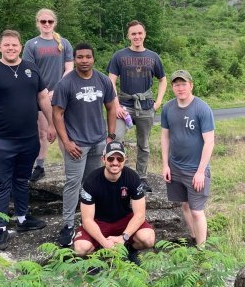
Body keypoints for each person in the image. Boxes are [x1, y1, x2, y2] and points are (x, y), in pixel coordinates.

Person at [0, 30, 56, 250]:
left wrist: (50, 124)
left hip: (28, 138)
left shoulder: (32, 69)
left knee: (22, 180)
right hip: (1, 139)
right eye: (6, 45)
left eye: (14, 45)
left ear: (21, 46)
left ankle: (22, 218)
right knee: (2, 184)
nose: (10, 48)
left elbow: (42, 97)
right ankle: (0, 228)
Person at [52, 42, 117, 247]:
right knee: (73, 183)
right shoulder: (66, 83)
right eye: (80, 57)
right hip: (76, 144)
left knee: (94, 183)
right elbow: (57, 114)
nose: (84, 61)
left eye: (88, 57)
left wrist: (110, 136)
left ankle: (94, 220)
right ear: (75, 59)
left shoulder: (103, 80)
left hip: (99, 141)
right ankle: (69, 225)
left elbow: (111, 108)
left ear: (93, 58)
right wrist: (66, 141)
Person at [107, 20, 167, 192]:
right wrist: (116, 105)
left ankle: (142, 177)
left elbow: (163, 79)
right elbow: (111, 80)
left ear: (145, 34)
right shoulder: (119, 56)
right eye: (133, 34)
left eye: (140, 33)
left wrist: (158, 102)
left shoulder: (153, 57)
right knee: (116, 139)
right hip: (124, 105)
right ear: (128, 36)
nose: (137, 36)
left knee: (144, 144)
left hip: (146, 105)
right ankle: (118, 175)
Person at [160, 70, 215, 246]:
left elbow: (209, 142)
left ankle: (202, 248)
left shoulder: (202, 108)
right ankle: (193, 237)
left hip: (195, 169)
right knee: (184, 206)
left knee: (197, 211)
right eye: (176, 84)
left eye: (183, 84)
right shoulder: (168, 108)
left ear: (191, 85)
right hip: (175, 166)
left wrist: (200, 172)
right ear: (172, 87)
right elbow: (164, 137)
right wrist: (165, 165)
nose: (180, 88)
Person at [73, 141, 155, 257]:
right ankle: (97, 257)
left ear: (124, 160)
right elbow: (87, 220)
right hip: (99, 222)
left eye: (119, 159)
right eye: (110, 158)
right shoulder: (91, 181)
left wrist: (124, 237)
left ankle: (128, 249)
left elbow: (140, 214)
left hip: (124, 220)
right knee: (80, 248)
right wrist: (104, 242)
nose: (115, 163)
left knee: (148, 239)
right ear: (103, 159)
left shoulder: (132, 177)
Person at [22, 8, 73, 181]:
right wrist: (42, 90)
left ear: (54, 23)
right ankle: (40, 165)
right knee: (42, 132)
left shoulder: (64, 43)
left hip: (61, 94)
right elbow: (28, 71)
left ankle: (70, 166)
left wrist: (57, 89)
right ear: (38, 23)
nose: (46, 24)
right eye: (43, 21)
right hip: (39, 95)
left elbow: (69, 69)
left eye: (49, 21)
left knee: (62, 131)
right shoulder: (31, 44)